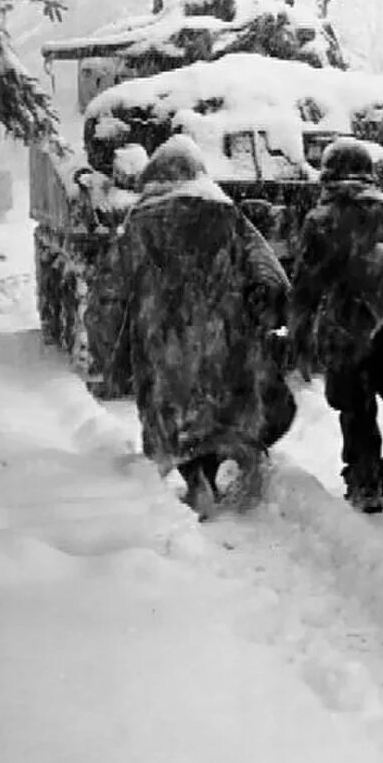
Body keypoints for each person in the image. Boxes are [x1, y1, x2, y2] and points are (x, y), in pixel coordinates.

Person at [95, 136, 297, 518]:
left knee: (171, 418)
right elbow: (272, 278)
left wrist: (111, 354)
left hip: (161, 347)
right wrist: (267, 324)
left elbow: (108, 294)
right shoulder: (227, 216)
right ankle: (220, 467)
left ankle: (195, 482)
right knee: (225, 411)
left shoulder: (139, 224)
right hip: (226, 342)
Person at [288, 137, 383, 512]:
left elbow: (307, 284)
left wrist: (300, 331)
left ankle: (365, 480)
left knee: (357, 411)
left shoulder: (320, 220)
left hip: (346, 333)